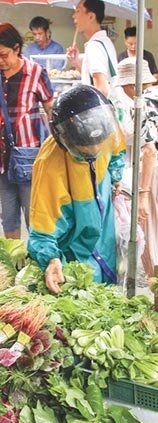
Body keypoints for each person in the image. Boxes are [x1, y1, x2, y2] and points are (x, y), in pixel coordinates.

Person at [28, 85, 125, 294]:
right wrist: (51, 259)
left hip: (104, 228)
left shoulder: (105, 127)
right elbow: (42, 228)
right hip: (74, 247)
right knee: (84, 288)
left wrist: (116, 178)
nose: (96, 151)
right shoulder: (49, 166)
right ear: (67, 141)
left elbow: (118, 152)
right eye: (85, 152)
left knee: (109, 283)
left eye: (99, 146)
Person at [116, 57, 158, 276]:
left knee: (151, 235)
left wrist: (143, 193)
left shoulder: (140, 104)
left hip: (156, 171)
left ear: (130, 84)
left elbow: (149, 151)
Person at [0, 23, 53, 239]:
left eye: (4, 55)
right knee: (8, 217)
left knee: (35, 217)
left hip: (29, 157)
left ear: (16, 48)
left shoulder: (35, 72)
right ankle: (14, 258)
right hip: (2, 159)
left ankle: (37, 257)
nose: (0, 61)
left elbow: (51, 110)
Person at [66, 0, 118, 100]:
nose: (73, 16)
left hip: (101, 108)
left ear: (91, 17)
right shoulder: (105, 41)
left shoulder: (94, 46)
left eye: (78, 11)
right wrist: (76, 63)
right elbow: (93, 79)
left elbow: (102, 90)